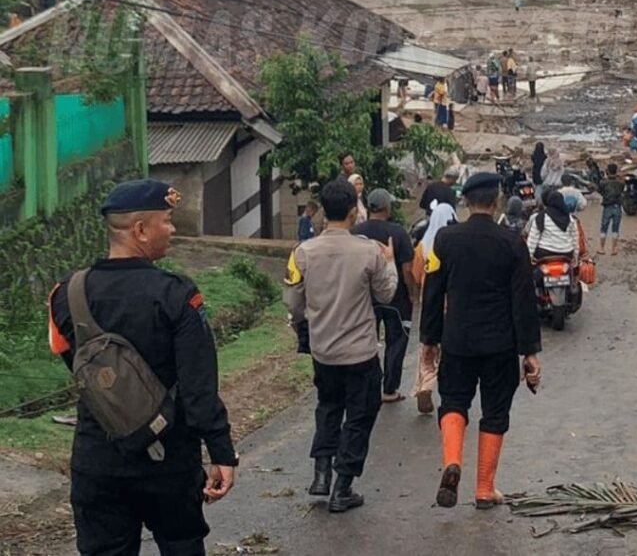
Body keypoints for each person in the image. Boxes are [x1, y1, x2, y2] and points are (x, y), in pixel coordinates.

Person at [48, 180, 237, 556]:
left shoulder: (66, 293)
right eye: (167, 220)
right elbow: (198, 387)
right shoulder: (176, 293)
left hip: (97, 460)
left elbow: (74, 362)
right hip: (168, 460)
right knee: (182, 545)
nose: (172, 229)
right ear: (140, 230)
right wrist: (221, 453)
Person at [420, 172, 542, 510]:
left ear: (466, 202)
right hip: (500, 345)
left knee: (454, 403)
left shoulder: (445, 239)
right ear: (497, 201)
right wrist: (529, 352)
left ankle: (451, 463)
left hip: (457, 340)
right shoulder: (512, 242)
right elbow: (524, 301)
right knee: (495, 412)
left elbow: (433, 293)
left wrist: (429, 340)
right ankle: (485, 489)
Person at [284, 178, 397, 513]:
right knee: (360, 416)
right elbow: (386, 294)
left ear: (321, 212)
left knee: (329, 407)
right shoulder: (368, 252)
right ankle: (343, 485)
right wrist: (389, 260)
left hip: (323, 351)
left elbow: (292, 303)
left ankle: (321, 473)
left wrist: (314, 318)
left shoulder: (302, 253)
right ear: (352, 213)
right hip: (360, 351)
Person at [354, 189, 416, 404]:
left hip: (364, 298)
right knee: (396, 342)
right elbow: (407, 269)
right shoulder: (398, 233)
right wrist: (412, 294)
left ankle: (365, 388)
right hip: (396, 299)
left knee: (364, 342)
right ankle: (389, 389)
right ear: (388, 208)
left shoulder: (356, 232)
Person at [411, 203, 457, 414]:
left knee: (428, 348)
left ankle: (425, 385)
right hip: (452, 304)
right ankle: (449, 387)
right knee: (449, 347)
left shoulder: (423, 246)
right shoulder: (456, 244)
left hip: (429, 303)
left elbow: (416, 274)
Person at [525, 190, 580, 262]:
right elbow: (575, 239)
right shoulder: (570, 218)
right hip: (566, 253)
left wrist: (529, 257)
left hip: (544, 253)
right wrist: (576, 256)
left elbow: (533, 239)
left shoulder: (541, 217)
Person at [597, 164, 624, 256]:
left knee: (604, 228)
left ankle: (602, 248)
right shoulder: (621, 183)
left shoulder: (603, 182)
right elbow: (622, 189)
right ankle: (613, 249)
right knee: (615, 229)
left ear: (607, 171)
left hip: (607, 207)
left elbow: (600, 191)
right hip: (617, 207)